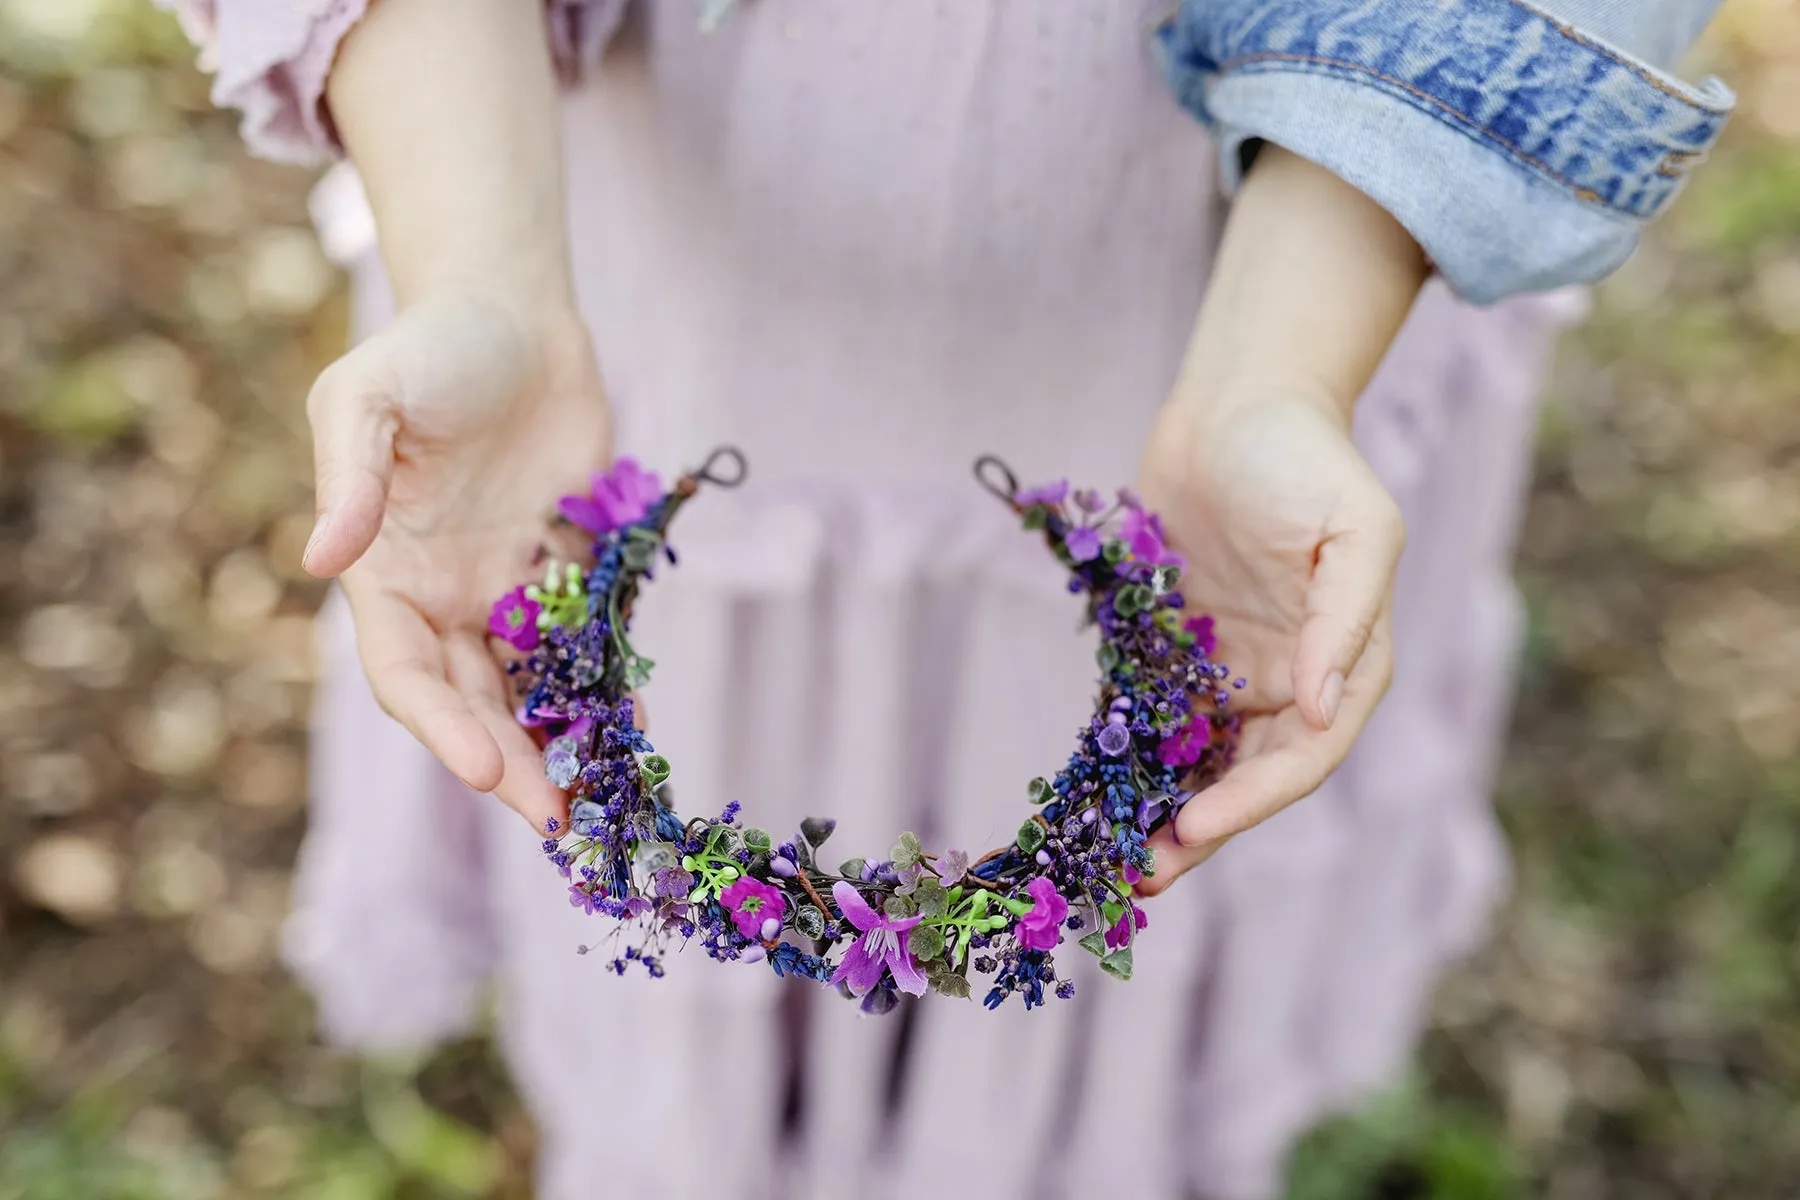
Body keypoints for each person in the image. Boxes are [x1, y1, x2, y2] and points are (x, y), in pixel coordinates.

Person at [164, 1, 1731, 1195]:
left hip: (1247, 290)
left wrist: (1280, 373)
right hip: (613, 247)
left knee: (1120, 889)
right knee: (682, 914)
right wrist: (484, 276)